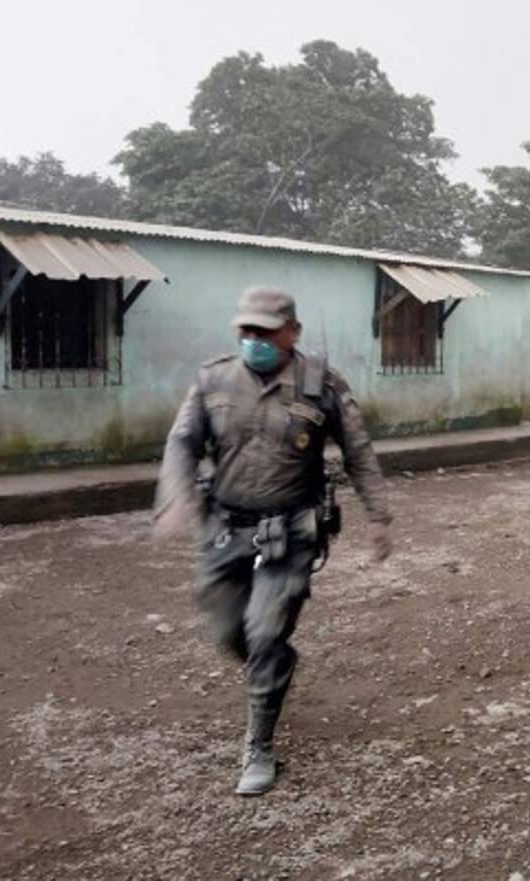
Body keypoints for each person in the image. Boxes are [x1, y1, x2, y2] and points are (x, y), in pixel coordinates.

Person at [153, 286, 393, 797]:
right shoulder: (213, 378)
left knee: (263, 632)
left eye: (265, 330)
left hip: (290, 534)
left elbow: (359, 451)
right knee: (227, 631)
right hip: (224, 529)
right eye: (246, 329)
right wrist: (176, 498)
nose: (253, 339)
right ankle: (275, 666)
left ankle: (259, 744)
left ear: (293, 332)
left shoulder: (320, 385)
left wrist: (378, 515)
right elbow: (182, 444)